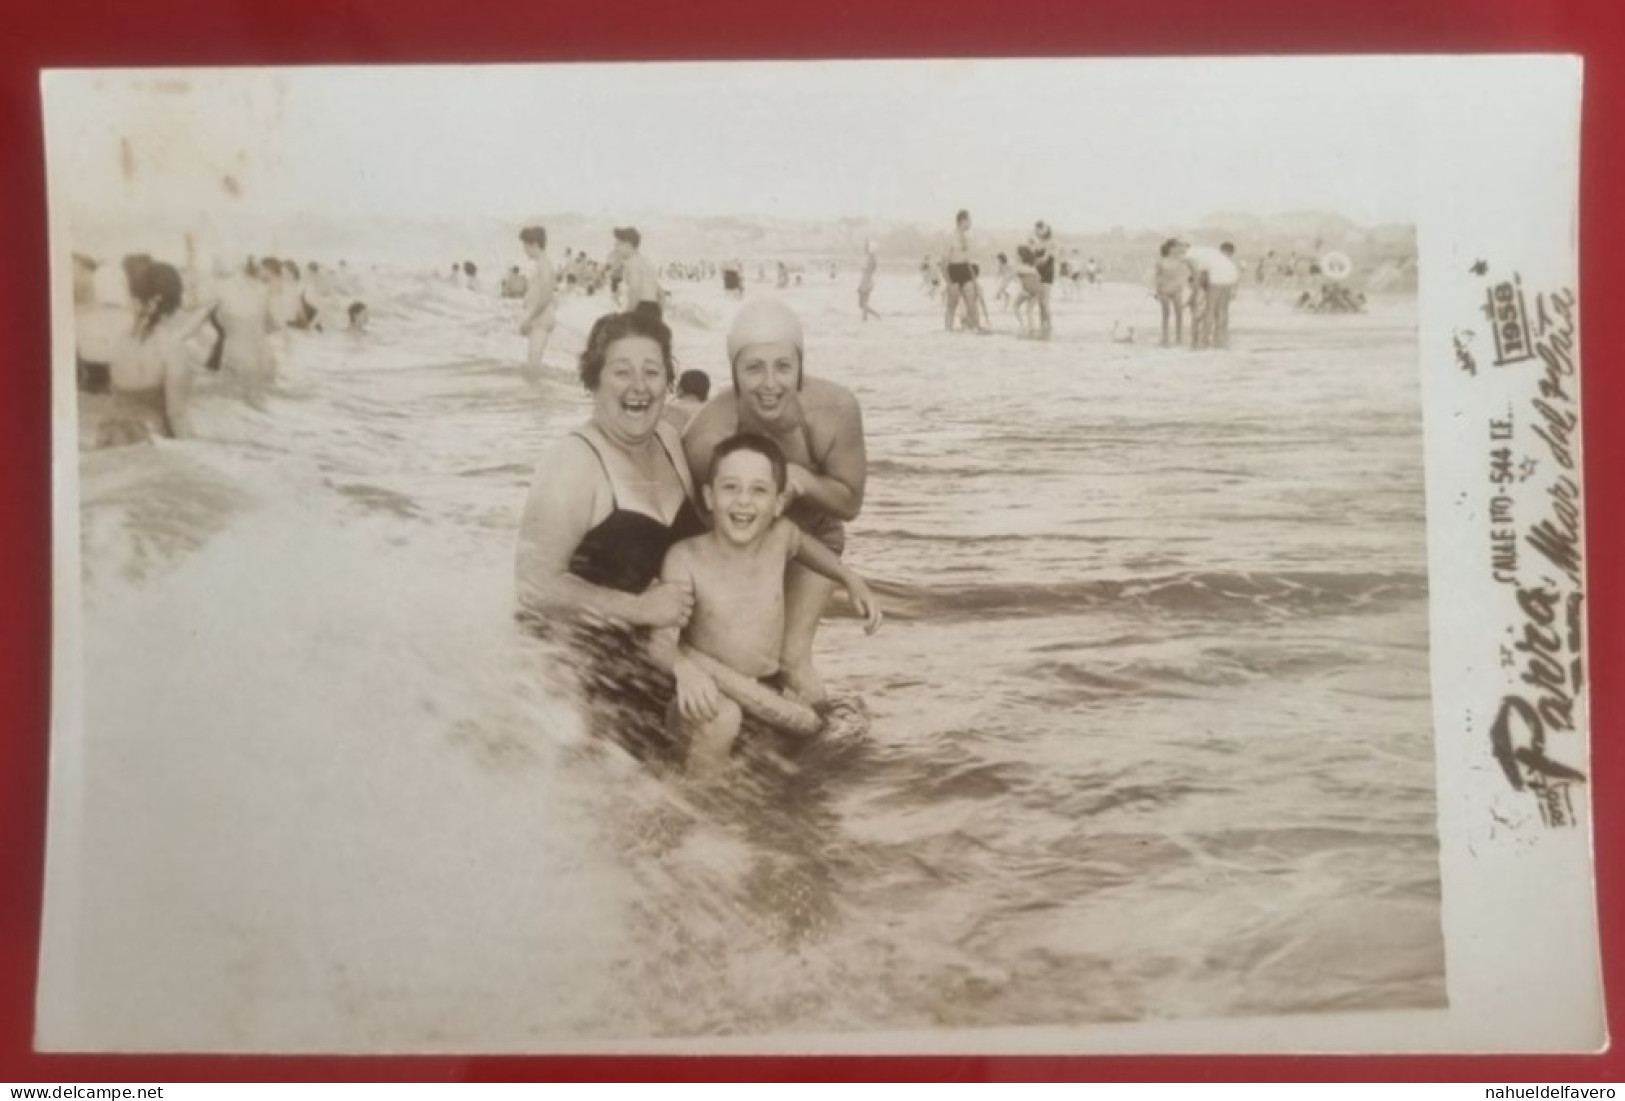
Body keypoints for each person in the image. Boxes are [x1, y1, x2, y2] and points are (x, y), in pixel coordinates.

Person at [515, 311, 702, 764]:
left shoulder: (670, 441)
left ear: (667, 382)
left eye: (652, 371)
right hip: (584, 680)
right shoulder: (574, 463)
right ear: (594, 382)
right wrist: (637, 608)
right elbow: (532, 585)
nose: (639, 385)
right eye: (622, 371)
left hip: (657, 662)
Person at [653, 434, 882, 775]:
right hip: (705, 692)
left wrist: (851, 579)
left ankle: (783, 802)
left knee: (809, 715)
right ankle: (698, 808)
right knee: (723, 718)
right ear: (709, 496)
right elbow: (660, 644)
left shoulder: (781, 536)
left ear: (777, 503)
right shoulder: (686, 559)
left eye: (759, 490)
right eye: (731, 487)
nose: (744, 501)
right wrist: (685, 672)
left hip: (767, 689)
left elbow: (810, 547)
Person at [683, 299, 867, 706]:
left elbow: (850, 503)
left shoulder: (834, 411)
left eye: (783, 367)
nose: (770, 384)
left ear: (800, 367)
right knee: (738, 660)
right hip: (737, 547)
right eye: (753, 369)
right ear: (734, 373)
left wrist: (801, 479)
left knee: (791, 661)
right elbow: (701, 519)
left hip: (814, 537)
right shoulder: (706, 436)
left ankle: (821, 755)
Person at [96, 261, 198, 447]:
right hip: (149, 439)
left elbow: (115, 394)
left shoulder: (121, 340)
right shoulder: (172, 347)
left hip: (110, 435)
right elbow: (177, 414)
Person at [518, 225, 557, 384]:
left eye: (525, 246)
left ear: (534, 244)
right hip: (541, 316)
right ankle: (536, 399)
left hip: (541, 318)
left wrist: (529, 319)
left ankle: (538, 399)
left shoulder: (544, 265)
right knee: (533, 362)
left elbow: (546, 296)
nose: (524, 250)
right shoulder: (542, 264)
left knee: (533, 364)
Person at [943, 210, 984, 332]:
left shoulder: (967, 238)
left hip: (966, 270)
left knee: (971, 303)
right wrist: (948, 282)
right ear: (963, 221)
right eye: (969, 220)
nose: (970, 223)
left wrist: (975, 278)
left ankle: (975, 327)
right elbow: (943, 261)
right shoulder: (950, 237)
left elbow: (968, 259)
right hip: (953, 270)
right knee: (952, 306)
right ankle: (948, 330)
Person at [612, 226, 662, 322]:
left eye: (618, 244)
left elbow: (635, 290)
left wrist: (627, 316)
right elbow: (661, 294)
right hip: (654, 310)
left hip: (640, 310)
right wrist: (659, 319)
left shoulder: (631, 263)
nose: (616, 248)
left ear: (628, 244)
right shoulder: (646, 262)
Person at [1153, 238, 1192, 346]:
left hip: (1177, 290)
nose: (1177, 249)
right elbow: (1157, 277)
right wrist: (1156, 291)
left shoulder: (1181, 260)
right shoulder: (1160, 261)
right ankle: (1165, 337)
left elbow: (1188, 251)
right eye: (1175, 247)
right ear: (1170, 248)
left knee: (1179, 314)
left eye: (1177, 247)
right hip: (1164, 290)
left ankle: (1179, 337)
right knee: (1166, 314)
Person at [1028, 221, 1057, 338]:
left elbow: (1045, 259)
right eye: (1036, 230)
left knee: (1045, 302)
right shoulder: (1036, 243)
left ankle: (1049, 326)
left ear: (1046, 229)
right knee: (1040, 303)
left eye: (1040, 229)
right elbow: (1030, 257)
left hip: (1047, 273)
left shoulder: (1051, 243)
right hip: (1037, 273)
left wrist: (1033, 263)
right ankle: (1042, 326)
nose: (1038, 232)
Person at [858, 240, 881, 321]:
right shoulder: (870, 258)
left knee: (863, 304)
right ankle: (870, 317)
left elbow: (867, 269)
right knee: (862, 304)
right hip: (866, 282)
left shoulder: (871, 259)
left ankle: (875, 316)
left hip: (866, 283)